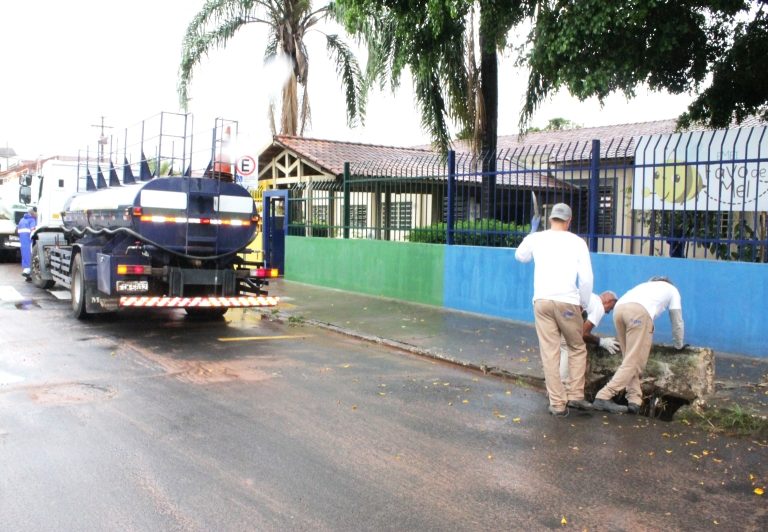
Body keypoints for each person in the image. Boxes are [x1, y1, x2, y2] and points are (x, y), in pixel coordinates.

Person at [515, 203, 594, 416]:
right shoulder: (577, 242)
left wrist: (530, 233)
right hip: (567, 302)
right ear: (569, 221)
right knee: (576, 347)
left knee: (550, 353)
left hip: (541, 301)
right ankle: (576, 395)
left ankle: (557, 404)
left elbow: (520, 256)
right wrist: (583, 304)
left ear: (550, 219)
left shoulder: (537, 238)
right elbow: (586, 279)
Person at [592, 276, 685, 414]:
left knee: (628, 358)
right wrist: (679, 344)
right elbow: (677, 319)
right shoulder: (672, 289)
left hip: (619, 310)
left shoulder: (644, 286)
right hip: (639, 313)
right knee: (635, 360)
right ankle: (604, 396)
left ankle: (634, 399)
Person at [559, 290, 620, 383]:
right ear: (609, 301)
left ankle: (552, 385)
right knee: (568, 350)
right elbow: (584, 334)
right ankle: (560, 387)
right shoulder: (599, 307)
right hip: (566, 318)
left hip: (556, 312)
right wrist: (601, 342)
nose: (608, 312)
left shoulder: (591, 297)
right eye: (610, 308)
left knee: (556, 350)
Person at [17, 206, 37, 280]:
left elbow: (18, 231)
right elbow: (33, 231)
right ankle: (29, 270)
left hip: (23, 240)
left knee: (25, 253)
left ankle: (27, 270)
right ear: (33, 213)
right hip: (29, 240)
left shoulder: (22, 220)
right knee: (30, 252)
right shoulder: (32, 220)